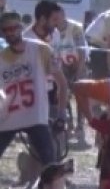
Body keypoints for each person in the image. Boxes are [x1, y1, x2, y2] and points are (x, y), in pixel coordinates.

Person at [0, 11, 67, 164]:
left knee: (50, 162)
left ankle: (50, 180)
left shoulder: (41, 49)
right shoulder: (1, 57)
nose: (11, 33)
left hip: (35, 117)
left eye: (14, 28)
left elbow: (62, 83)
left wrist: (61, 114)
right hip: (8, 118)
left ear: (21, 28)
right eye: (6, 30)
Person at [55, 7, 88, 138]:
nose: (56, 20)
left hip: (77, 62)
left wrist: (79, 70)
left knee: (80, 93)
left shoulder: (75, 28)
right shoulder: (53, 29)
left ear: (63, 15)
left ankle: (80, 124)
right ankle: (69, 122)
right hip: (63, 63)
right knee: (63, 92)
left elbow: (82, 51)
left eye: (58, 17)